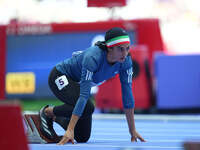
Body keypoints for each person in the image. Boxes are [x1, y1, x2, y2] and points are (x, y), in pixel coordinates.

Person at [39, 27, 146, 145]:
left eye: (127, 48)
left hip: (78, 84)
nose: (125, 54)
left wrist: (132, 130)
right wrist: (70, 130)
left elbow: (127, 96)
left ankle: (56, 117)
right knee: (88, 107)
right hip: (60, 76)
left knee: (82, 137)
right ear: (110, 48)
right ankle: (48, 112)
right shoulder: (93, 58)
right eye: (120, 49)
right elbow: (84, 95)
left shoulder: (126, 61)